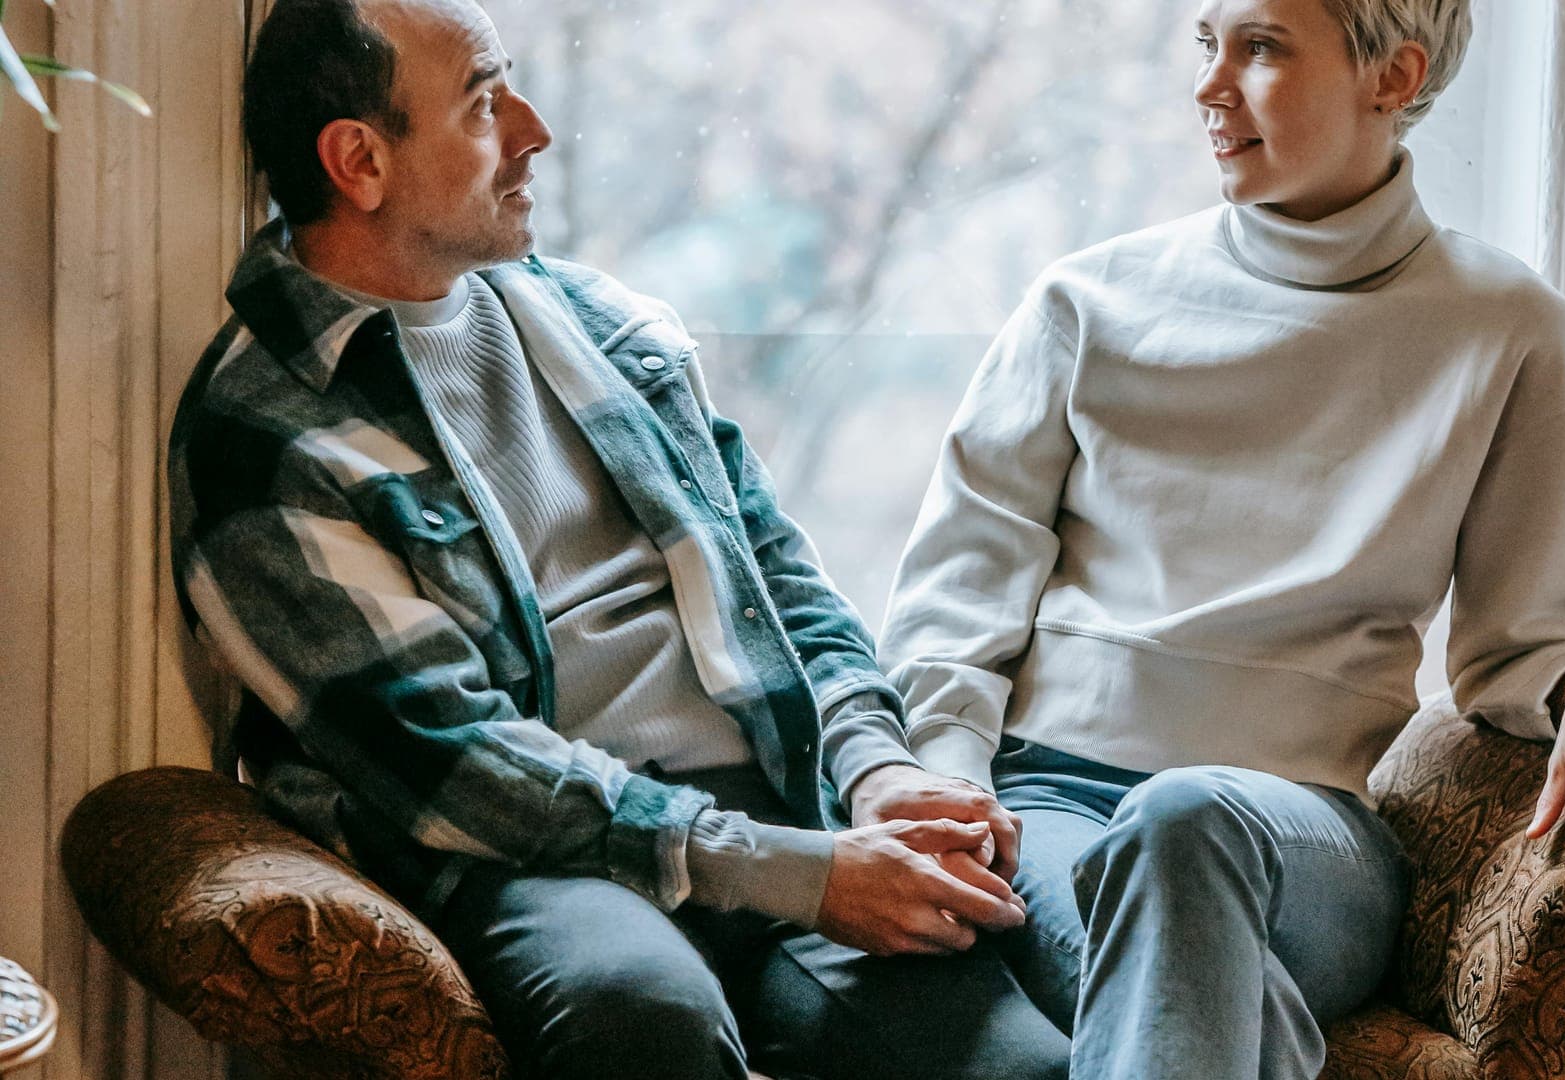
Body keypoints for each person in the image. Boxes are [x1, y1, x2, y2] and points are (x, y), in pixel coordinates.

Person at [168, 1, 1066, 1076]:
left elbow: (780, 581)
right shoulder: (266, 435)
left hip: (778, 802)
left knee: (1021, 1066)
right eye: (484, 105)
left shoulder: (601, 325)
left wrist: (873, 767)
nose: (535, 130)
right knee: (640, 1011)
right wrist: (796, 871)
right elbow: (455, 758)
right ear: (360, 161)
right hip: (540, 854)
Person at [876, 0, 1565, 1076]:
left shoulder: (1511, 332)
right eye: (1206, 43)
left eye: (1261, 47)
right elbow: (957, 596)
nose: (1209, 84)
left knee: (1184, 819)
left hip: (1308, 843)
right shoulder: (1084, 303)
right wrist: (953, 786)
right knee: (1184, 949)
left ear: (1393, 76)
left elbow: (1522, 641)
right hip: (1050, 806)